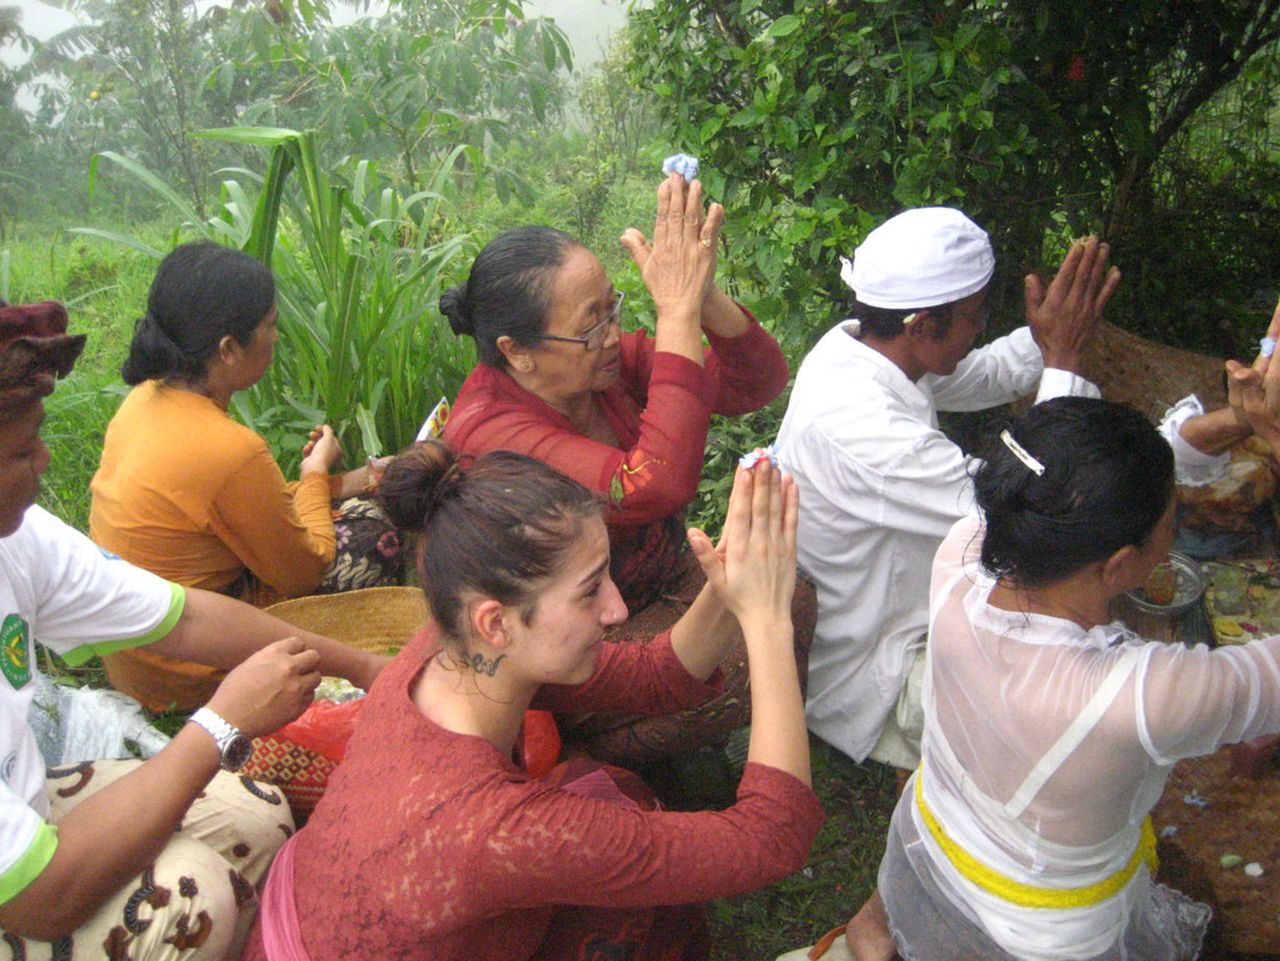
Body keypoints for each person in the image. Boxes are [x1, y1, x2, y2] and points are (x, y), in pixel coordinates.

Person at [243, 442, 822, 961]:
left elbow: (656, 674)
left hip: (312, 907)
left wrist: (728, 591)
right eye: (591, 590)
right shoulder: (502, 835)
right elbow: (772, 837)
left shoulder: (446, 650)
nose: (617, 610)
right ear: (495, 622)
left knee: (619, 795)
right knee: (628, 850)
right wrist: (768, 621)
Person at [0, 300, 387, 961]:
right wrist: (219, 723)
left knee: (256, 814)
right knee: (189, 897)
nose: (42, 458)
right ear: (230, 348)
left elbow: (182, 615)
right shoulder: (230, 447)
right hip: (28, 889)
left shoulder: (21, 535)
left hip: (23, 804)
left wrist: (360, 664)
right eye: (20, 448)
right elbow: (41, 898)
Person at [858, 394, 1280, 961]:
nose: (1174, 528)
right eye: (1170, 521)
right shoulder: (1142, 699)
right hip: (1043, 936)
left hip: (932, 838)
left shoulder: (961, 555)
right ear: (1118, 566)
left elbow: (1064, 488)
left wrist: (1237, 420)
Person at [441, 172, 810, 764]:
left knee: (789, 599)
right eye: (591, 326)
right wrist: (677, 314)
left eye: (612, 307)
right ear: (516, 352)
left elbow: (757, 380)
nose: (612, 336)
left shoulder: (599, 370)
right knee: (737, 661)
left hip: (660, 587)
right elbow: (651, 484)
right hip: (582, 634)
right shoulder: (489, 432)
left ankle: (667, 747)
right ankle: (599, 759)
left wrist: (702, 294)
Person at [774, 207, 1121, 774]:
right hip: (878, 671)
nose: (981, 327)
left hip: (896, 611)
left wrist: (1045, 340)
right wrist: (1063, 358)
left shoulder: (862, 349)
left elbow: (980, 372)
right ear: (921, 325)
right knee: (1074, 722)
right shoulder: (867, 432)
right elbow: (1036, 504)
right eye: (973, 317)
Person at [90, 242, 404, 712]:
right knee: (374, 536)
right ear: (229, 348)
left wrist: (355, 478)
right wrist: (316, 472)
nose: (276, 339)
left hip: (136, 663)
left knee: (348, 504)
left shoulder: (143, 401)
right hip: (194, 674)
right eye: (270, 326)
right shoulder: (231, 449)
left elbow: (244, 508)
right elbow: (305, 570)